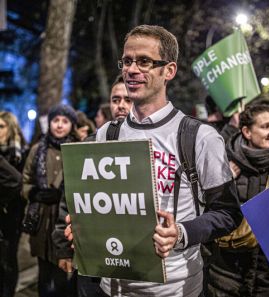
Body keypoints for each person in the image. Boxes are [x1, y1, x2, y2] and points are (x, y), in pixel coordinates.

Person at [65, 24, 242, 297]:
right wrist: (82, 226)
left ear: (168, 71)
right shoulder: (105, 134)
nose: (132, 69)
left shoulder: (200, 137)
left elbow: (228, 214)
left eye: (144, 61)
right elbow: (100, 207)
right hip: (110, 286)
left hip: (173, 289)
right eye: (127, 61)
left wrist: (181, 233)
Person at [52, 75, 132, 297]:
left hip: (135, 257)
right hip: (92, 258)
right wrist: (62, 248)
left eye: (128, 99)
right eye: (116, 99)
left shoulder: (149, 145)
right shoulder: (89, 145)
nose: (121, 105)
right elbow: (69, 199)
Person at [208, 103, 269, 297]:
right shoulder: (224, 166)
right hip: (228, 276)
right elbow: (206, 214)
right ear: (246, 131)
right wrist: (222, 183)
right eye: (265, 126)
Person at [22, 104, 80, 297]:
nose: (60, 125)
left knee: (64, 277)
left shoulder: (78, 150)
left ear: (72, 125)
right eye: (56, 120)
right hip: (41, 221)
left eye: (65, 121)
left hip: (65, 220)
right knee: (44, 276)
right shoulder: (38, 149)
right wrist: (34, 193)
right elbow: (25, 181)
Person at [0, 111, 28, 297]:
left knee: (7, 262)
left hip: (11, 215)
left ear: (11, 129)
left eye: (1, 126)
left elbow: (20, 184)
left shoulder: (20, 154)